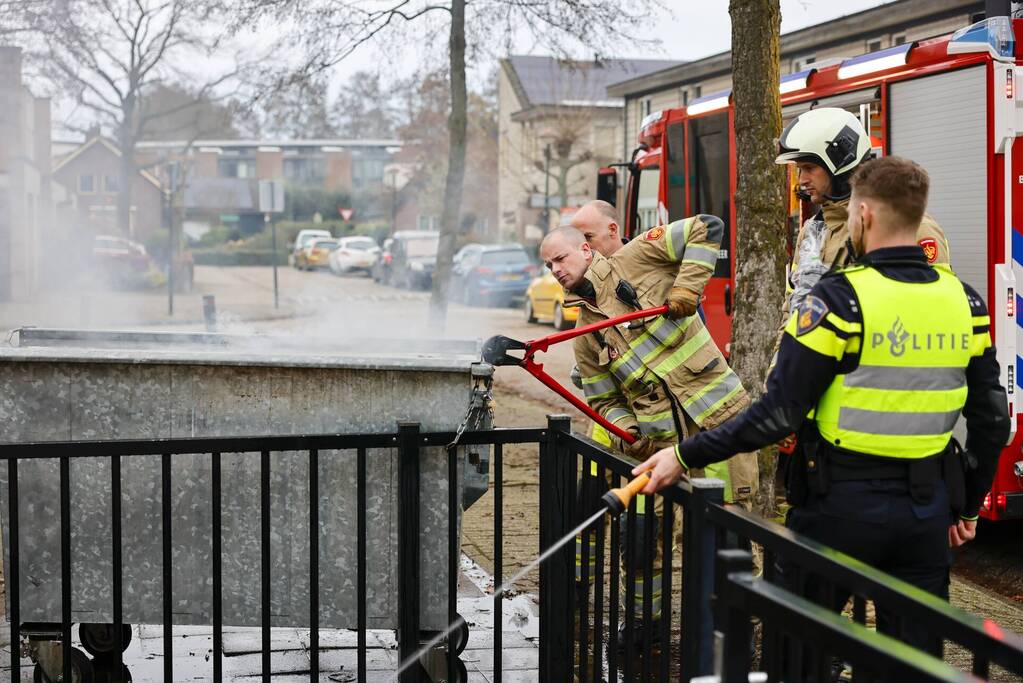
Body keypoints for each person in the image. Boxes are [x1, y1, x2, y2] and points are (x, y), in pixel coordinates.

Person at [632, 157, 1009, 656]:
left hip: (839, 507)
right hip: (925, 513)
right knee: (914, 663)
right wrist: (966, 504)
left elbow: (778, 414)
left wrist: (684, 454)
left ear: (865, 215)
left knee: (800, 653)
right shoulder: (966, 302)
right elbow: (991, 418)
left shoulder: (837, 300)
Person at [539, 219, 759, 648]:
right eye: (549, 266)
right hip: (658, 447)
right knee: (641, 546)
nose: (556, 271)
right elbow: (605, 400)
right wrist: (627, 427)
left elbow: (707, 227)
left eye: (561, 258)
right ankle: (645, 628)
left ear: (585, 250)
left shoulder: (638, 258)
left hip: (719, 424)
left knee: (728, 533)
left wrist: (687, 290)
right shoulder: (585, 332)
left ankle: (734, 632)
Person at [775, 108, 951, 345]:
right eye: (799, 169)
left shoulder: (911, 228)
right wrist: (780, 372)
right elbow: (793, 311)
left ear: (840, 160)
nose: (802, 179)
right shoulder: (813, 231)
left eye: (809, 167)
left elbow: (935, 312)